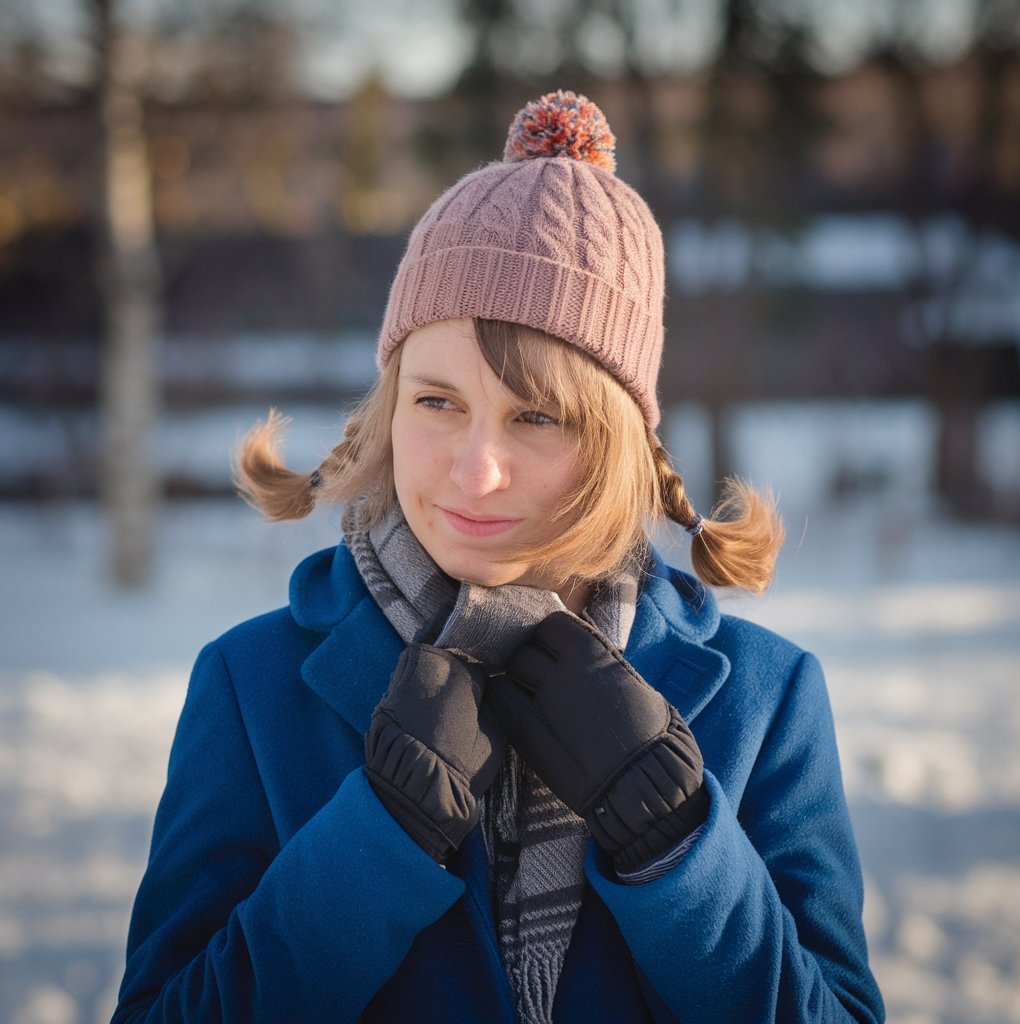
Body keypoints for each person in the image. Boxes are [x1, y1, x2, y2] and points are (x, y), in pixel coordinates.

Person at [113, 91, 885, 1024]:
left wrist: (675, 841)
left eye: (538, 417)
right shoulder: (252, 687)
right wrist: (379, 839)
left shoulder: (769, 699)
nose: (475, 472)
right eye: (437, 402)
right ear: (388, 411)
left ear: (615, 443)